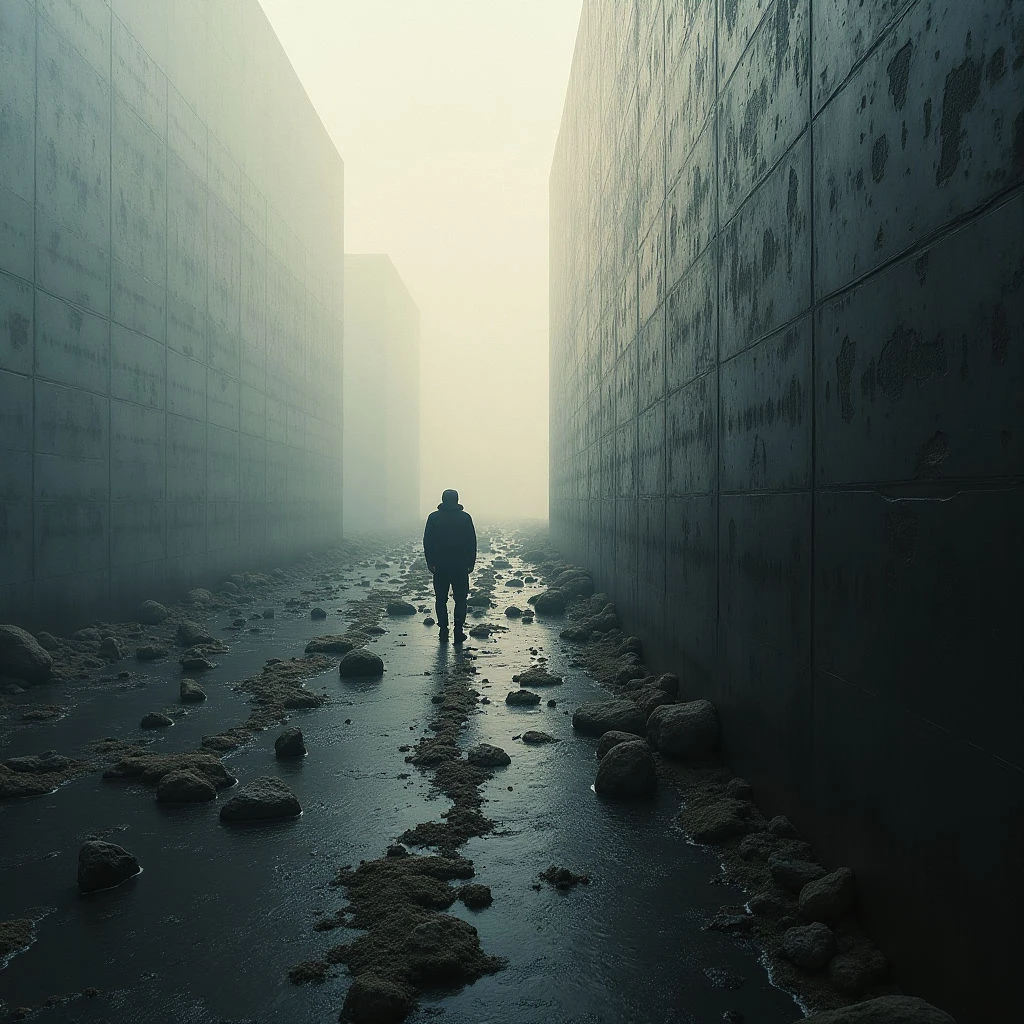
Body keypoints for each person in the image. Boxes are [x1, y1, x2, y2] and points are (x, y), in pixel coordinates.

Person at [422, 489, 477, 643]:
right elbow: (471, 543)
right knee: (461, 599)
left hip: (440, 566)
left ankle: (443, 630)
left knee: (441, 599)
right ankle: (458, 630)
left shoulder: (433, 518)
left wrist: (430, 562)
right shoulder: (465, 518)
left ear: (443, 499)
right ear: (457, 500)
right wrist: (470, 563)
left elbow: (427, 542)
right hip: (460, 566)